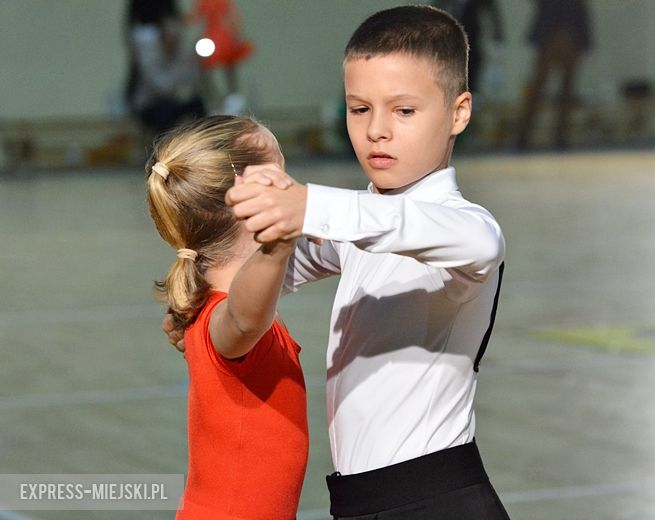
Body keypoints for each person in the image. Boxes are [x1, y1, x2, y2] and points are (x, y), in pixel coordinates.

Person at [224, 6, 508, 519]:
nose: (377, 130)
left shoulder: (465, 226)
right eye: (359, 109)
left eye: (404, 111)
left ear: (459, 113)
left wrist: (309, 205)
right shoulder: (358, 228)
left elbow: (465, 240)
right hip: (360, 505)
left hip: (438, 502)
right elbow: (262, 279)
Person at [147, 115, 308, 519]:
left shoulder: (205, 308)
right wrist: (278, 242)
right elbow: (244, 321)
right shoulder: (224, 316)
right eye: (281, 175)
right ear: (252, 196)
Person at [516, 0, 592, 149]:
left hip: (561, 31)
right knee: (548, 88)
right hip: (560, 31)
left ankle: (532, 135)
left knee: (554, 89)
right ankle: (531, 134)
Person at [128, 1, 206, 137]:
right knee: (166, 108)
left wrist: (196, 61)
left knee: (197, 104)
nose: (174, 34)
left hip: (174, 101)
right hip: (150, 105)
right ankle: (163, 152)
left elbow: (193, 83)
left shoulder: (180, 50)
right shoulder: (147, 44)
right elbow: (160, 86)